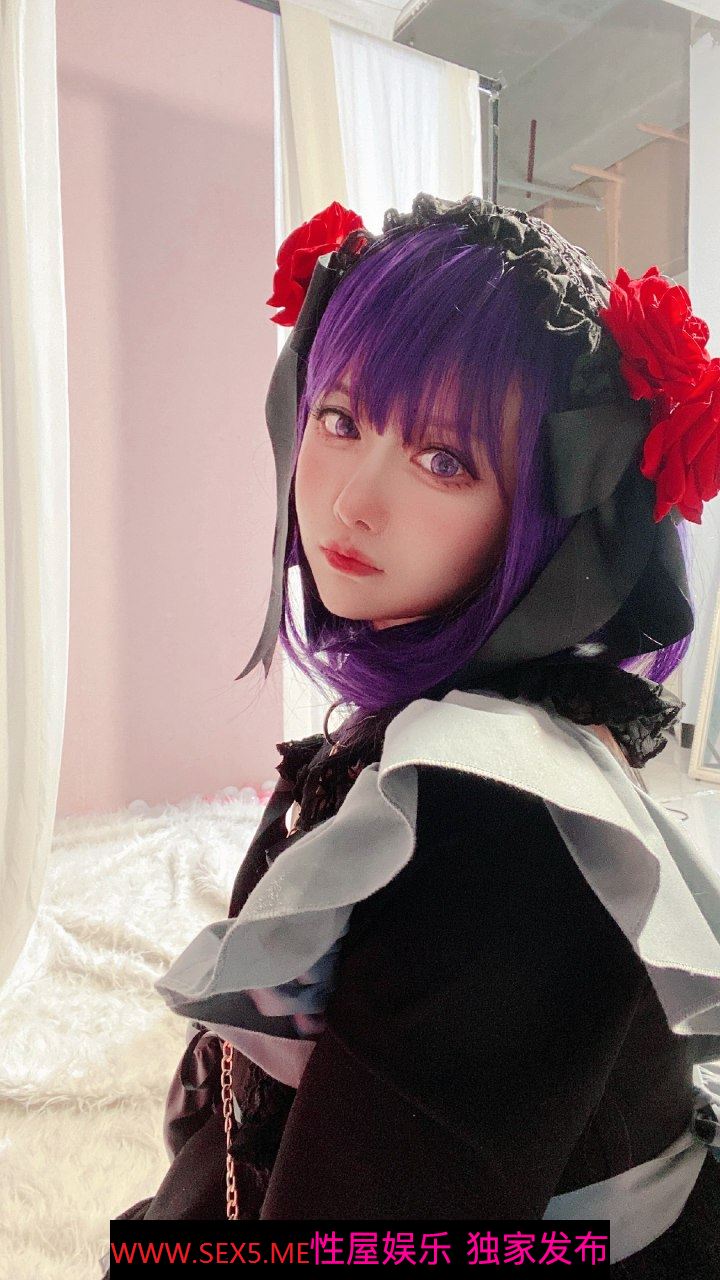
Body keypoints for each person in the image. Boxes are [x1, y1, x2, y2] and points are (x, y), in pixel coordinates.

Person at [107, 194, 720, 1274]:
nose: (353, 501)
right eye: (341, 418)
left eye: (445, 460)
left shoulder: (503, 830)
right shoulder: (437, 738)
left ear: (548, 516)